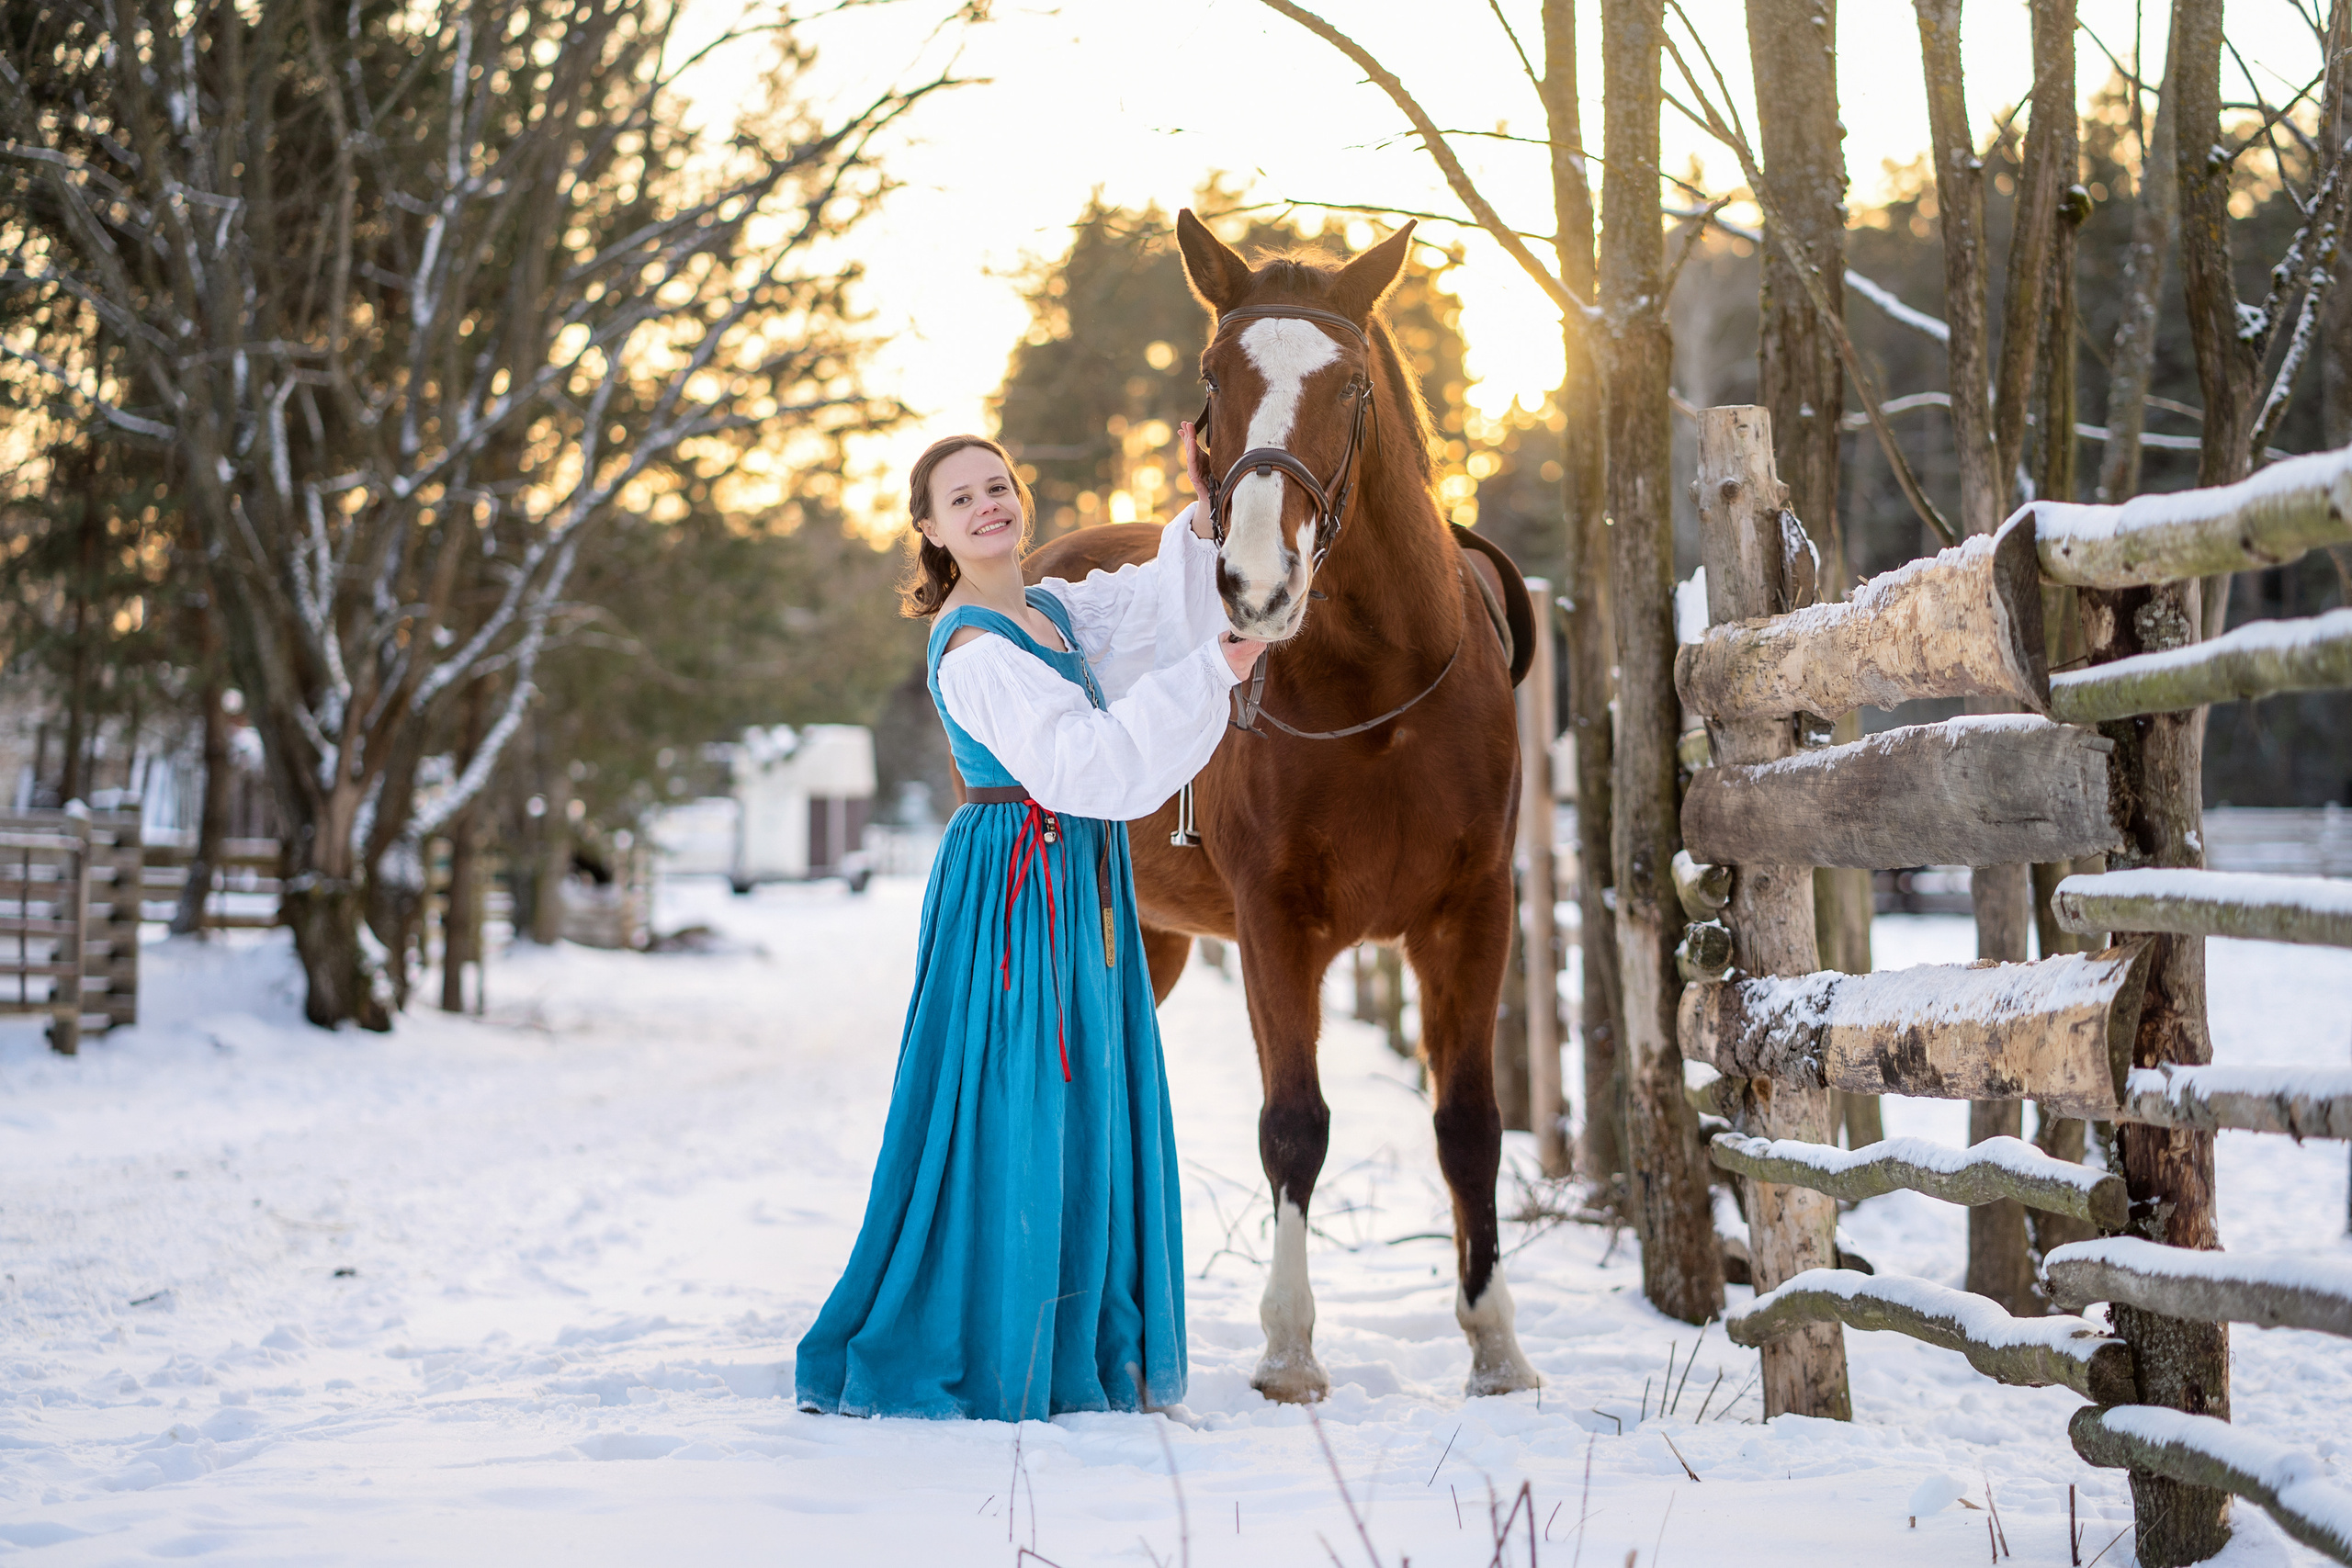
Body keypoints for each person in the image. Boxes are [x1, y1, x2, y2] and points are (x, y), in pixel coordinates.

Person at [794, 431, 1263, 1422]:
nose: (988, 507)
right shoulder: (973, 646)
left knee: (1083, 1089)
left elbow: (1142, 604)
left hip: (1077, 870)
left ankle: (1077, 1331)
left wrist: (1212, 503)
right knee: (1017, 1096)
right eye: (960, 500)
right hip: (1016, 879)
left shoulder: (1049, 612)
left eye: (999, 487)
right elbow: (1085, 764)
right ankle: (1001, 1341)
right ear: (929, 529)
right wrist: (1214, 670)